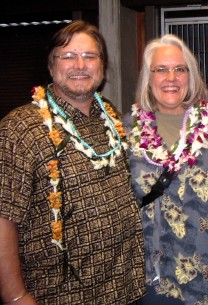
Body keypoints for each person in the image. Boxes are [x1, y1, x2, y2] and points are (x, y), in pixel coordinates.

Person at [0, 20, 145, 305]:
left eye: (90, 56)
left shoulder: (110, 116)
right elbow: (4, 220)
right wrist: (16, 296)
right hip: (60, 295)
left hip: (124, 289)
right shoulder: (21, 128)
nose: (80, 64)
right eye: (68, 56)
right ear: (52, 66)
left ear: (102, 66)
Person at [125, 34, 208, 305]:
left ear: (190, 76)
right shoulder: (127, 132)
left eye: (179, 69)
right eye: (161, 69)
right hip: (156, 280)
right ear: (149, 77)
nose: (170, 77)